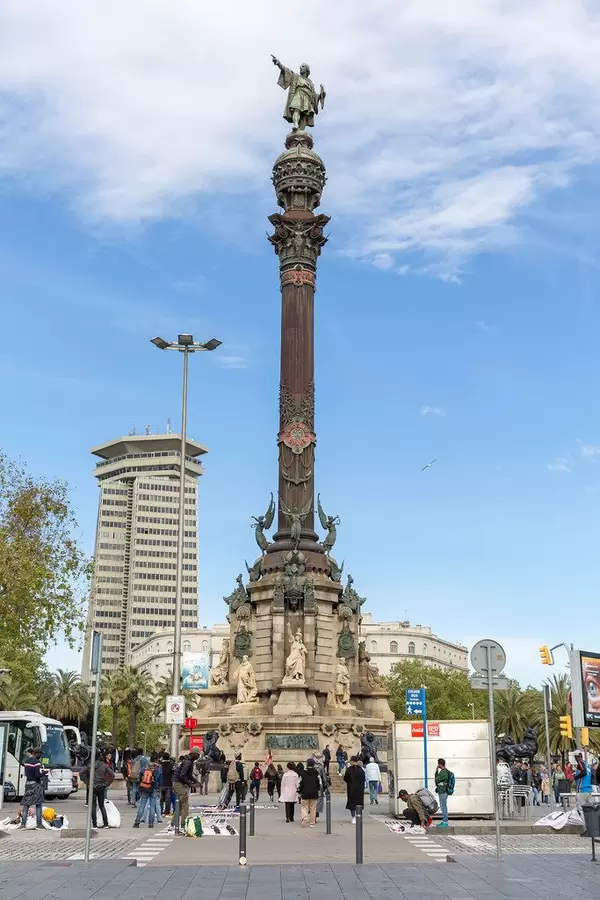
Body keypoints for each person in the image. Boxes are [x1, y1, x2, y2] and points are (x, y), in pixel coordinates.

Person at [81, 754, 115, 829]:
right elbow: (112, 775)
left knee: (93, 806)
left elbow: (81, 773)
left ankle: (94, 825)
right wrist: (106, 784)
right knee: (102, 805)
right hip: (101, 787)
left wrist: (87, 782)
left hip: (92, 787)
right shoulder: (104, 765)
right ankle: (105, 824)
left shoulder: (90, 765)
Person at [172, 750, 200, 826]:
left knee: (181, 804)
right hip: (178, 782)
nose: (199, 756)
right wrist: (191, 784)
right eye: (198, 754)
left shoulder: (189, 761)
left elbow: (189, 775)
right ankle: (183, 823)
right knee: (184, 804)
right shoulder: (188, 762)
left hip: (177, 782)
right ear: (194, 754)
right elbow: (182, 775)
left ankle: (174, 822)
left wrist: (196, 781)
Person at [20, 748, 45, 829]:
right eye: (40, 754)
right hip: (35, 784)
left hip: (28, 783)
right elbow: (37, 775)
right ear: (37, 753)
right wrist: (44, 773)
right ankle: (39, 824)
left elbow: (26, 773)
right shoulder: (37, 762)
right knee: (38, 804)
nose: (41, 756)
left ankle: (23, 824)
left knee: (26, 804)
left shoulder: (26, 761)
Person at [134, 753, 161, 828]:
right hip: (153, 789)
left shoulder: (145, 767)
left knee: (142, 805)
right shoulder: (158, 768)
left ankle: (137, 822)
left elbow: (140, 776)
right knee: (152, 806)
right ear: (156, 760)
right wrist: (158, 788)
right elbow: (159, 780)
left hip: (145, 787)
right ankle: (151, 823)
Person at [298, 758, 321, 828]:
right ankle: (312, 823)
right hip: (314, 792)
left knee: (304, 807)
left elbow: (300, 783)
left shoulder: (303, 773)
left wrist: (299, 791)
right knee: (313, 808)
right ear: (313, 764)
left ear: (307, 764)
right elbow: (319, 783)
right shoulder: (317, 773)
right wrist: (318, 789)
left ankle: (304, 818)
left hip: (305, 792)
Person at [343, 756, 365, 825]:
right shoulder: (361, 770)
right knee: (359, 803)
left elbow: (345, 778)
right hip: (360, 789)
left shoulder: (349, 770)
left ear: (353, 761)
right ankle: (359, 816)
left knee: (352, 803)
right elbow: (363, 779)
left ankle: (353, 817)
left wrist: (350, 782)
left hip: (351, 788)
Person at [434, 758, 451, 826]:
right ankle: (444, 821)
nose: (437, 765)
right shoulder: (445, 771)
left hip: (443, 791)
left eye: (438, 763)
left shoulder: (443, 772)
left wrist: (436, 771)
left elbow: (436, 780)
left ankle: (445, 822)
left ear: (440, 764)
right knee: (443, 806)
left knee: (443, 806)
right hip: (443, 791)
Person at [159, 752, 174, 816]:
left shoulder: (160, 765)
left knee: (161, 799)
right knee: (168, 799)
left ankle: (160, 810)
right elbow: (173, 775)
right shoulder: (171, 765)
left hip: (161, 783)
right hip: (168, 784)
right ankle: (167, 811)